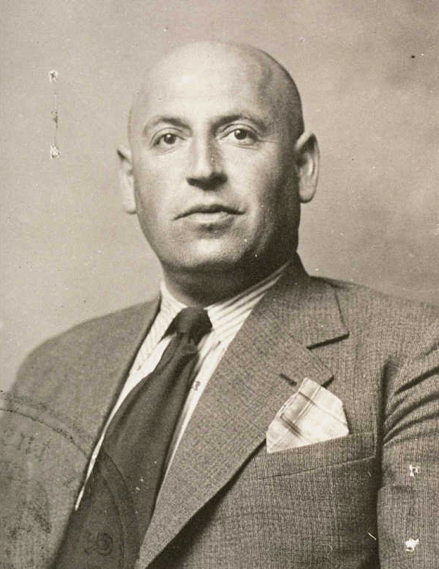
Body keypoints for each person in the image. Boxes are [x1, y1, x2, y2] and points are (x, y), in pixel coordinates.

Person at [1, 41, 438, 569]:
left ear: (303, 167)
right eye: (169, 138)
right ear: (130, 179)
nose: (203, 169)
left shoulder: (414, 353)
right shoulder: (48, 372)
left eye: (239, 134)